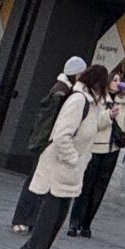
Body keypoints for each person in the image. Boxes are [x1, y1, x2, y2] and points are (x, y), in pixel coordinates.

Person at [11, 63, 113, 249]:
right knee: (44, 229)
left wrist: (108, 116)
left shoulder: (92, 103)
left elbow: (91, 127)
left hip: (70, 177)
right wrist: (73, 159)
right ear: (98, 83)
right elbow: (61, 136)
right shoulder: (78, 100)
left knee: (53, 228)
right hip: (56, 173)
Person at [10, 57, 87, 230]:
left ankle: (27, 219)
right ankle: (22, 219)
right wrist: (46, 143)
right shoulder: (62, 92)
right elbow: (49, 121)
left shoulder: (64, 89)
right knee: (35, 182)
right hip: (47, 142)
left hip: (47, 141)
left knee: (38, 181)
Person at [66, 74, 125, 238]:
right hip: (95, 148)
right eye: (114, 80)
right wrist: (108, 116)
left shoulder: (121, 101)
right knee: (86, 186)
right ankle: (74, 222)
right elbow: (93, 123)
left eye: (119, 80)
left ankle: (86, 224)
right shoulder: (98, 100)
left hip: (112, 149)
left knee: (100, 188)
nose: (117, 83)